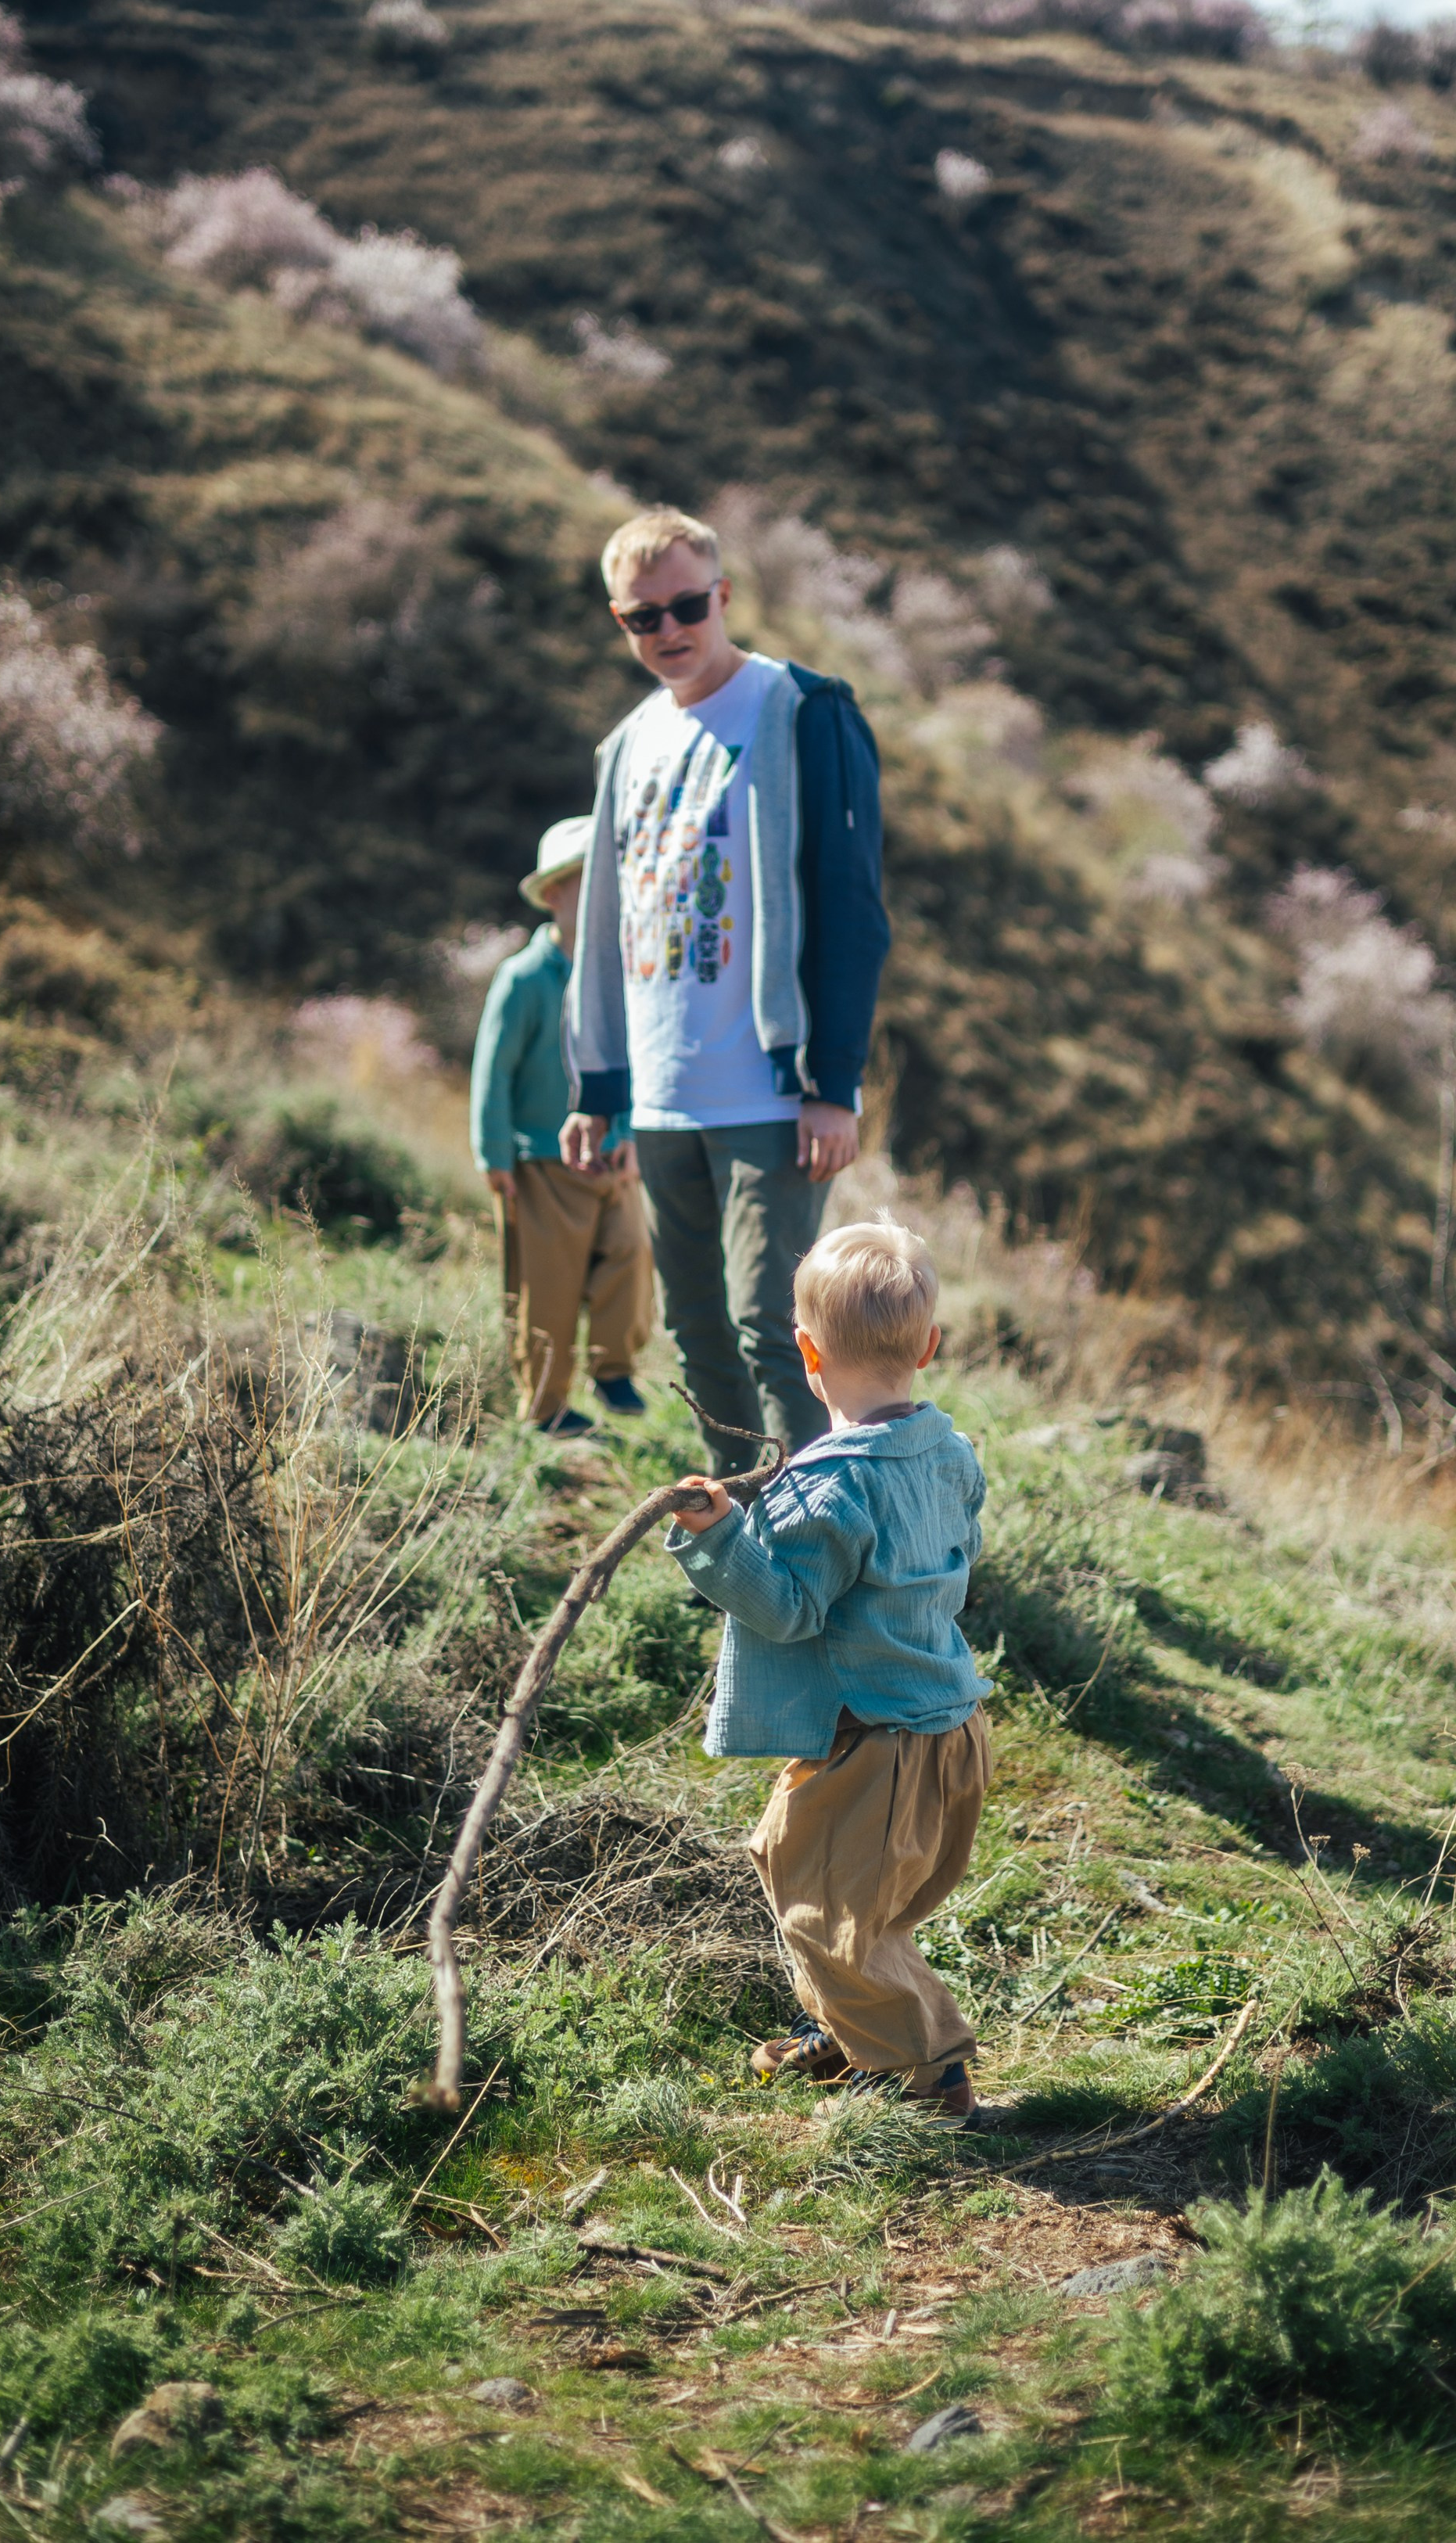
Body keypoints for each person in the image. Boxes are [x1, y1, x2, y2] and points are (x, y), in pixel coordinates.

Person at [562, 504, 889, 1471]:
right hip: (663, 1097)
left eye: (686, 606)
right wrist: (600, 1088)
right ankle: (753, 1534)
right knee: (697, 1332)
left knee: (774, 1326)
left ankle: (824, 1543)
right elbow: (602, 926)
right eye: (641, 617)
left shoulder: (804, 710)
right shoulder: (625, 747)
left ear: (724, 596)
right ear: (620, 621)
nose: (668, 631)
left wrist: (833, 1082)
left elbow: (849, 903)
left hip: (770, 1089)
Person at [666, 1216, 999, 2124]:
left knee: (830, 1916)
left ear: (806, 1350)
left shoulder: (829, 1484)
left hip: (877, 1745)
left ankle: (930, 2071)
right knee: (805, 1871)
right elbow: (961, 1548)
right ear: (927, 1347)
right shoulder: (950, 1452)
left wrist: (721, 1536)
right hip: (948, 1729)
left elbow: (786, 1606)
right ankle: (859, 2036)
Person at [471, 816, 653, 1438]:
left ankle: (614, 1368)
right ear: (554, 896)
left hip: (610, 1156)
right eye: (590, 886)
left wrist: (627, 1131)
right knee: (545, 1288)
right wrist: (495, 1155)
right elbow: (492, 1072)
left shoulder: (625, 976)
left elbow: (633, 1062)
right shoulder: (524, 979)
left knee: (630, 1256)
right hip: (541, 1162)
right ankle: (545, 1406)